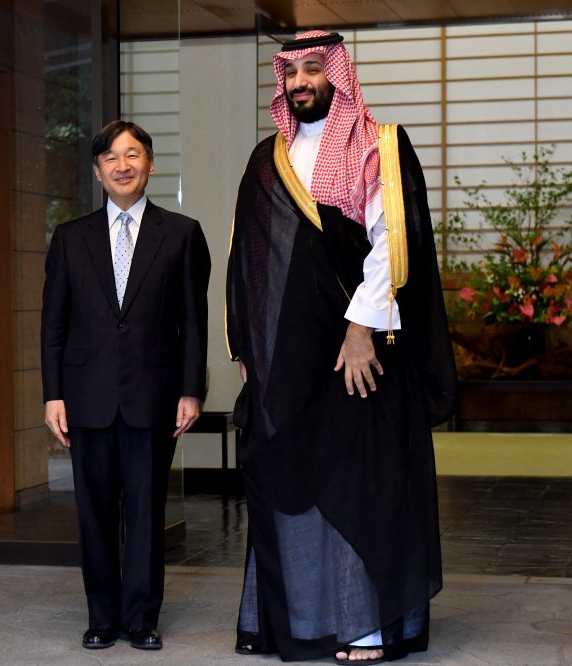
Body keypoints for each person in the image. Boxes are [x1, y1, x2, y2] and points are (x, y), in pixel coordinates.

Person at [225, 31, 457, 664]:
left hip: (362, 350)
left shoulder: (379, 144)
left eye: (311, 69)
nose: (300, 81)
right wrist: (250, 344)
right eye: (291, 71)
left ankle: (365, 626)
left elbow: (391, 242)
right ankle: (299, 620)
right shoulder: (265, 157)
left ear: (337, 74)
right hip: (291, 359)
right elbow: (247, 258)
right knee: (294, 479)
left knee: (360, 480)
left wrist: (360, 330)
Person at [41, 120, 210, 651]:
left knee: (144, 513)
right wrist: (53, 394)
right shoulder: (70, 237)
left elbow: (193, 322)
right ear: (97, 172)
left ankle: (141, 618)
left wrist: (191, 390)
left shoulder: (181, 234)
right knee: (93, 514)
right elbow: (54, 325)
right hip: (86, 398)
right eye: (110, 158)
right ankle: (101, 617)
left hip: (152, 398)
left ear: (150, 164)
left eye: (132, 154)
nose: (122, 165)